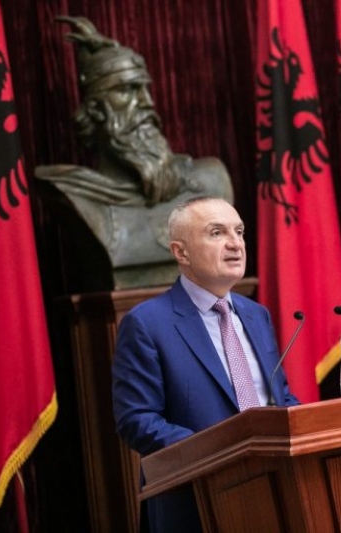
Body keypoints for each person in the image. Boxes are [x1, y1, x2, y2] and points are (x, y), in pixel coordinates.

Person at [112, 196, 300, 532]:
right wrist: (219, 451)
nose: (235, 244)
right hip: (195, 503)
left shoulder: (256, 315)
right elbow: (137, 419)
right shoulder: (147, 323)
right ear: (181, 252)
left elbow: (280, 398)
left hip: (273, 491)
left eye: (239, 232)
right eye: (217, 233)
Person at [35, 16, 233, 287]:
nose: (146, 103)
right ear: (95, 109)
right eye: (126, 91)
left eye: (144, 89)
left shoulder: (210, 180)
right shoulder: (73, 193)